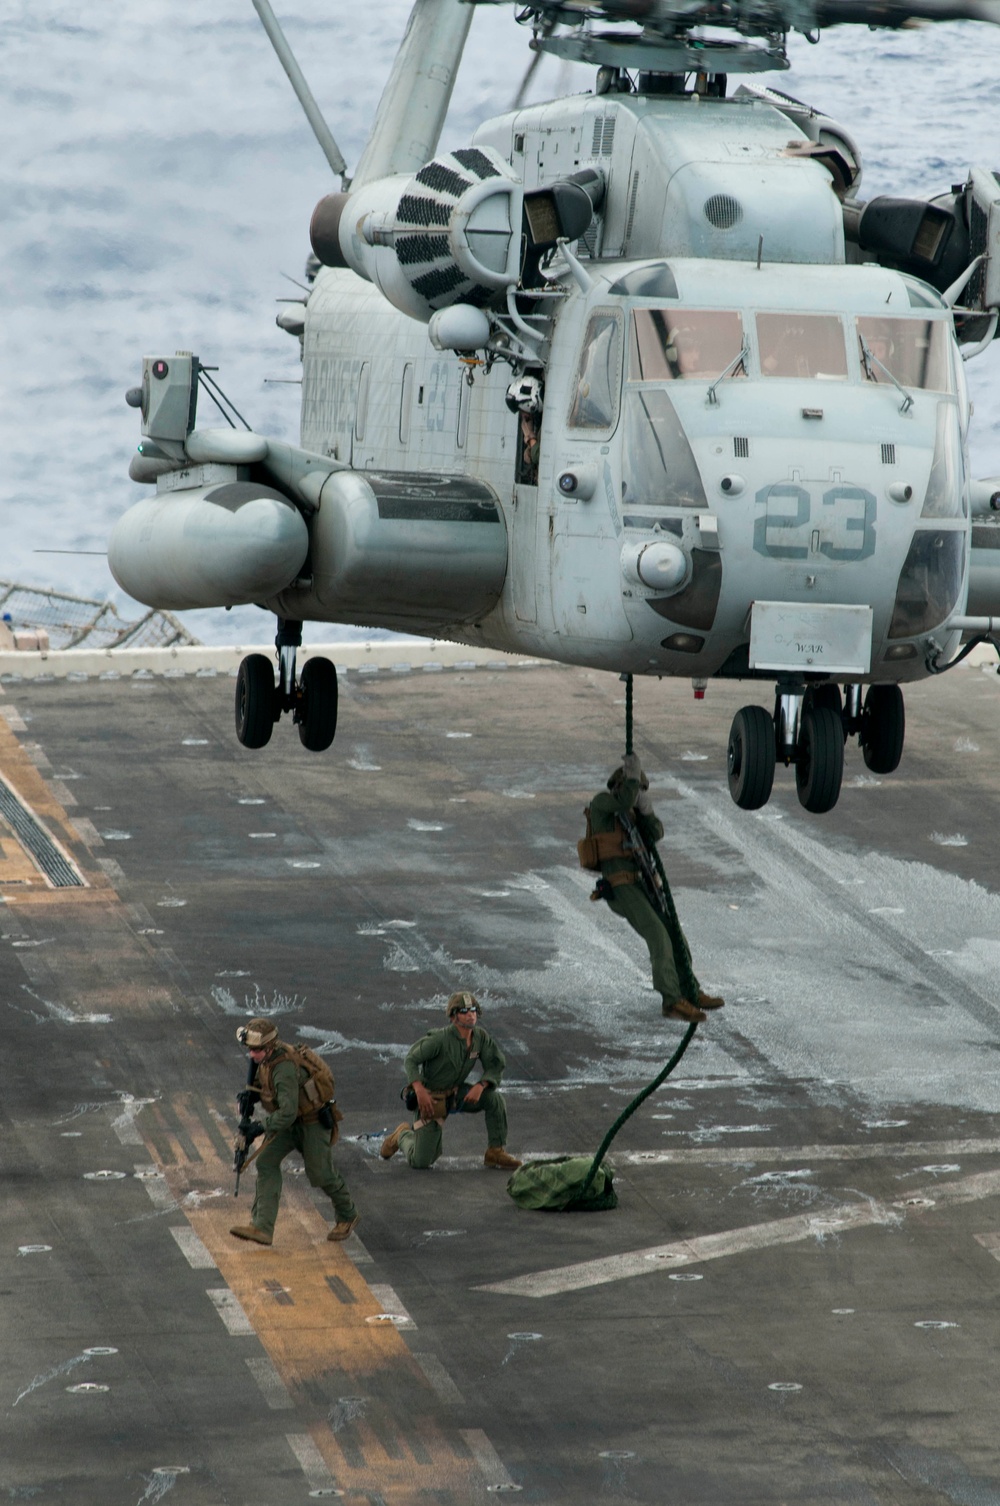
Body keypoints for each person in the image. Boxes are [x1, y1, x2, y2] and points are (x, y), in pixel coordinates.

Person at [587, 753, 724, 1022]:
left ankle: (690, 990)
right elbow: (623, 801)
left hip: (643, 883)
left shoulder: (632, 815)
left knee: (675, 935)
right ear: (620, 785)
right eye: (634, 788)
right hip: (621, 887)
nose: (637, 794)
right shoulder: (602, 804)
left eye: (641, 790)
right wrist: (632, 779)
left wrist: (646, 811)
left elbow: (656, 832)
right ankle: (671, 1000)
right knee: (657, 935)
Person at [229, 1017, 359, 1247]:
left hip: (311, 1122)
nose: (252, 1054)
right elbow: (265, 1085)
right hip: (289, 1123)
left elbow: (287, 1113)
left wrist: (259, 1127)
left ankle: (348, 1215)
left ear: (269, 1048)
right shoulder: (266, 1060)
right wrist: (250, 1096)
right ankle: (262, 1227)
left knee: (320, 1174)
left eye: (256, 1050)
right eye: (250, 1049)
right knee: (266, 1162)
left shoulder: (284, 1068)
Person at [380, 992, 522, 1171]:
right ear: (454, 1016)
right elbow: (411, 1059)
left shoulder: (479, 1038)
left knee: (495, 1099)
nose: (470, 1015)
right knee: (421, 1161)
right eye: (464, 1011)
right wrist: (419, 1090)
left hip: (456, 1094)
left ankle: (495, 1151)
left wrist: (482, 1085)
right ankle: (401, 1135)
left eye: (473, 1010)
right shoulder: (439, 1039)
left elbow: (495, 1063)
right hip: (432, 1099)